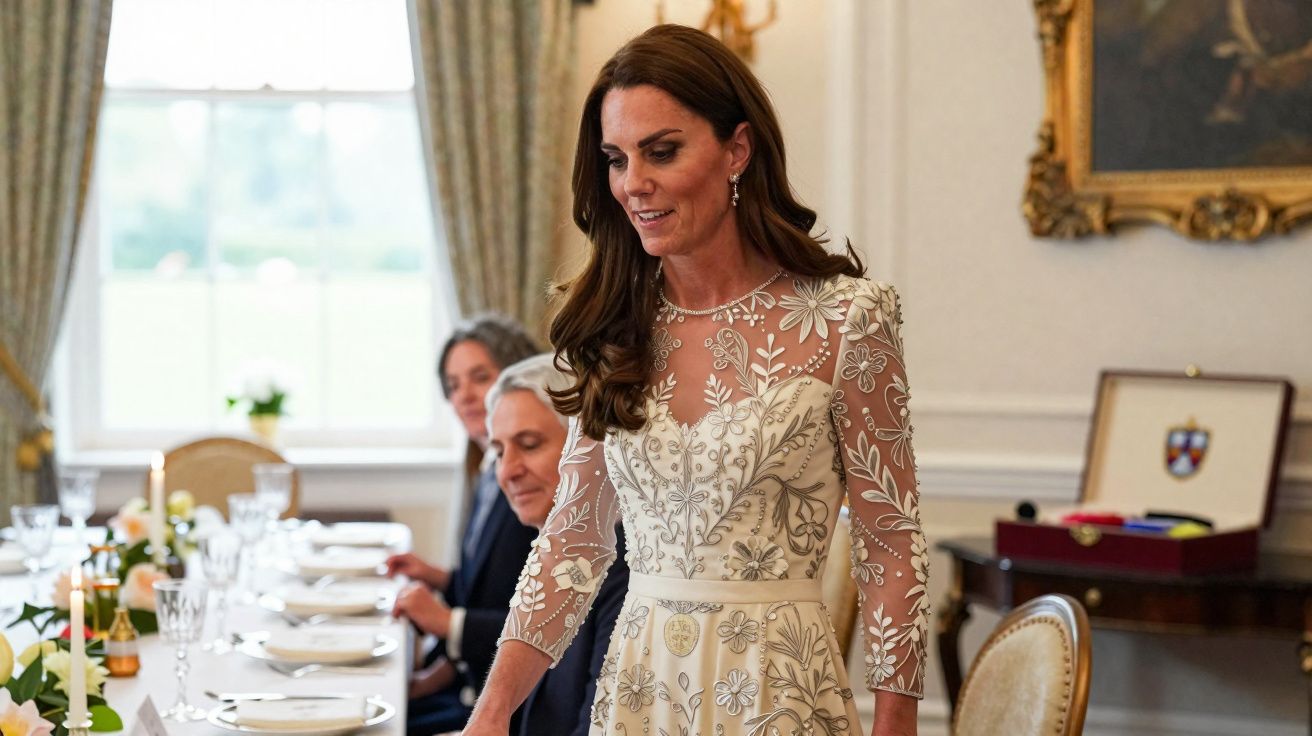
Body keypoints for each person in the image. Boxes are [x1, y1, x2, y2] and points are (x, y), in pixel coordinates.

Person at [464, 24, 927, 736]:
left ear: (737, 149)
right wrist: (490, 716)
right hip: (642, 691)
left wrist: (895, 727)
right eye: (616, 159)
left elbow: (890, 543)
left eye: (663, 151)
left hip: (779, 692)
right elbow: (573, 545)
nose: (633, 184)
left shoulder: (847, 320)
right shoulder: (614, 328)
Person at [386, 314, 540, 735]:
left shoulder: (534, 482)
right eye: (453, 386)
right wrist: (438, 577)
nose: (466, 396)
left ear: (518, 378)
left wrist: (446, 622)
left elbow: (542, 619)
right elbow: (500, 587)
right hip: (469, 682)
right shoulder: (489, 468)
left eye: (479, 377)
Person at [484, 354, 629, 736]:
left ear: (585, 449)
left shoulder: (624, 571)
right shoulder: (545, 553)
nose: (507, 471)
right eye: (499, 452)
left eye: (529, 445)